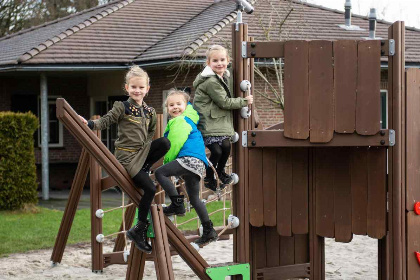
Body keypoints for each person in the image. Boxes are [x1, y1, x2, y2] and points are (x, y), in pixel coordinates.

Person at [79, 66, 170, 254]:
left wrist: (146, 155)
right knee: (151, 189)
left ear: (147, 89)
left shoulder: (150, 112)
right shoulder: (122, 107)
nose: (137, 91)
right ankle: (139, 229)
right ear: (126, 88)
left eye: (141, 87)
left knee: (164, 142)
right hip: (126, 156)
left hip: (141, 155)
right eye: (133, 87)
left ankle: (143, 169)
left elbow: (151, 132)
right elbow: (106, 121)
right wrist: (89, 123)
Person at [154, 90, 218, 247]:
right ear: (167, 108)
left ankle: (177, 205)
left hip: (188, 159)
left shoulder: (180, 121)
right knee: (194, 198)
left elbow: (174, 144)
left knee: (160, 173)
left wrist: (166, 161)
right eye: (171, 105)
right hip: (198, 163)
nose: (175, 107)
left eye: (178, 104)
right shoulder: (189, 119)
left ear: (186, 105)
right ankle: (209, 230)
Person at [193, 45, 253, 191]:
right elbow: (224, 102)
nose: (219, 63)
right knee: (217, 152)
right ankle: (209, 176)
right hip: (207, 122)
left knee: (226, 147)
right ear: (208, 63)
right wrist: (244, 101)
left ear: (228, 60)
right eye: (215, 61)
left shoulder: (223, 75)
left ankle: (219, 173)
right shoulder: (211, 81)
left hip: (217, 121)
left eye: (222, 59)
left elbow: (230, 70)